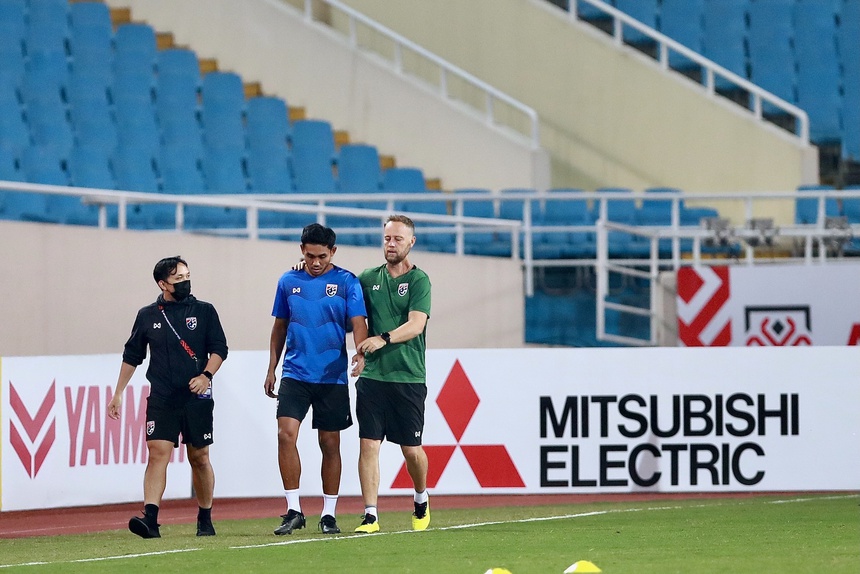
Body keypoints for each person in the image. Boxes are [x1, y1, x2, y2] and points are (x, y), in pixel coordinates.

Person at [108, 256, 228, 539]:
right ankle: (150, 519)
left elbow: (219, 349)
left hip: (196, 396)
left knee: (199, 457)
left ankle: (205, 517)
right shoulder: (148, 315)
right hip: (162, 396)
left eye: (187, 276)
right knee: (157, 453)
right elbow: (132, 356)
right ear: (163, 284)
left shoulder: (205, 311)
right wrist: (118, 392)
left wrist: (205, 377)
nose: (185, 282)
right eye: (178, 279)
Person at [264, 223, 368, 536]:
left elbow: (358, 322)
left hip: (331, 375)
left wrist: (361, 353)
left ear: (333, 252)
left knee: (329, 443)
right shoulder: (288, 280)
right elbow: (280, 327)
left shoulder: (347, 281)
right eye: (310, 255)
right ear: (301, 251)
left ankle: (329, 513)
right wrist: (272, 367)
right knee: (285, 435)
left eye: (322, 255)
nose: (316, 261)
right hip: (295, 373)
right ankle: (294, 509)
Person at [354, 214, 432, 533]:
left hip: (408, 376)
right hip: (373, 377)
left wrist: (382, 338)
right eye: (387, 238)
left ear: (411, 242)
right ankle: (371, 514)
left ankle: (420, 496)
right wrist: (360, 351)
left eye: (398, 239)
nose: (391, 244)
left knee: (411, 451)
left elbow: (417, 324)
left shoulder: (419, 280)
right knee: (368, 445)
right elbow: (353, 313)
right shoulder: (367, 277)